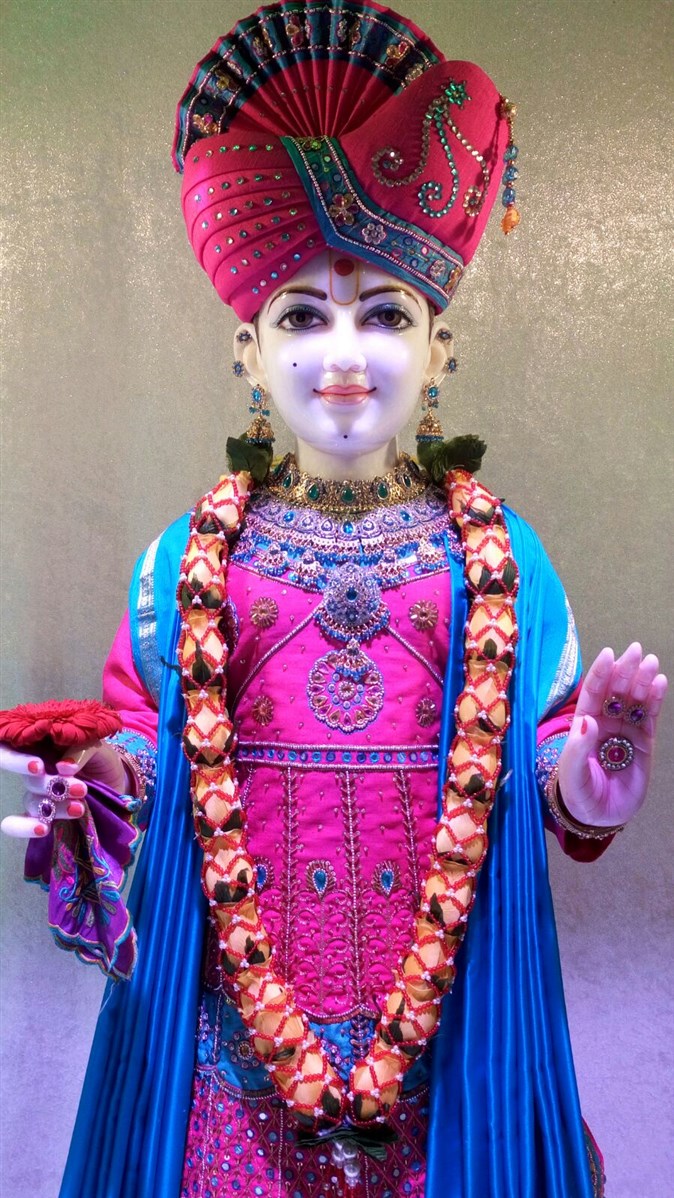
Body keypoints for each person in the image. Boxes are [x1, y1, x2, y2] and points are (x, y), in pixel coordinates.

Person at [0, 3, 667, 1197]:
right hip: (232, 1055)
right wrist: (97, 779)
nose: (344, 354)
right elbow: (144, 749)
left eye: (384, 315)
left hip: (445, 1052)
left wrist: (589, 773)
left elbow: (547, 762)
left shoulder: (497, 561)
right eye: (302, 317)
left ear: (438, 350)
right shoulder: (186, 563)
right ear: (249, 355)